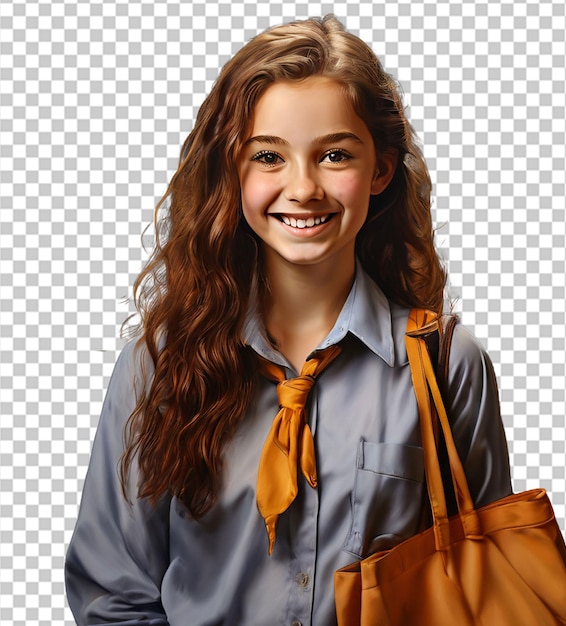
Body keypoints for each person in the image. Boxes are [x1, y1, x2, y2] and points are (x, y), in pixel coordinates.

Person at [65, 15, 512, 626]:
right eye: (269, 156)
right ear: (232, 171)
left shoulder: (445, 364)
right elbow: (115, 595)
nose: (302, 188)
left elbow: (486, 591)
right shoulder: (159, 367)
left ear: (380, 170)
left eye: (333, 155)